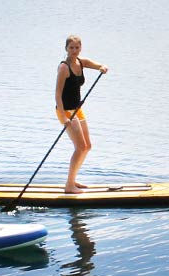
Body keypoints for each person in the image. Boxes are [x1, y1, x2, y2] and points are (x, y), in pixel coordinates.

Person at [56, 35, 108, 194]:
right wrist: (64, 117)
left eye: (76, 48)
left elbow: (94, 64)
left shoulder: (80, 62)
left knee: (87, 146)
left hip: (77, 109)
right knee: (80, 147)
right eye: (71, 48)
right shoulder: (64, 67)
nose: (74, 51)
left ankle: (72, 180)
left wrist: (102, 67)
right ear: (66, 49)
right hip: (65, 110)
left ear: (80, 48)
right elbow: (57, 94)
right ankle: (69, 186)